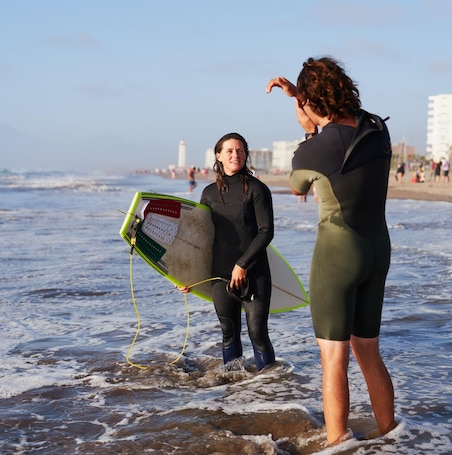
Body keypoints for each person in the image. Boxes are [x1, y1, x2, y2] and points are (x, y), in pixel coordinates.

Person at [266, 56, 396, 446]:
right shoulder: (377, 129)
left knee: (333, 358)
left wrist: (308, 130)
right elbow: (346, 123)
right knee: (369, 353)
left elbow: (297, 186)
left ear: (310, 102)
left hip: (338, 254)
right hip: (378, 249)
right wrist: (304, 99)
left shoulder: (315, 149)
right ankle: (391, 435)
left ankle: (339, 442)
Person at [180, 132, 276, 371]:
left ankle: (272, 392)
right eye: (230, 151)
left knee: (258, 332)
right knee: (228, 333)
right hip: (220, 273)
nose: (236, 155)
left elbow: (266, 232)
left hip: (254, 272)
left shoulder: (257, 189)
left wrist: (242, 264)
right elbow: (199, 239)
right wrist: (187, 276)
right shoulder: (209, 193)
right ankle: (234, 393)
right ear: (219, 156)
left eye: (240, 150)